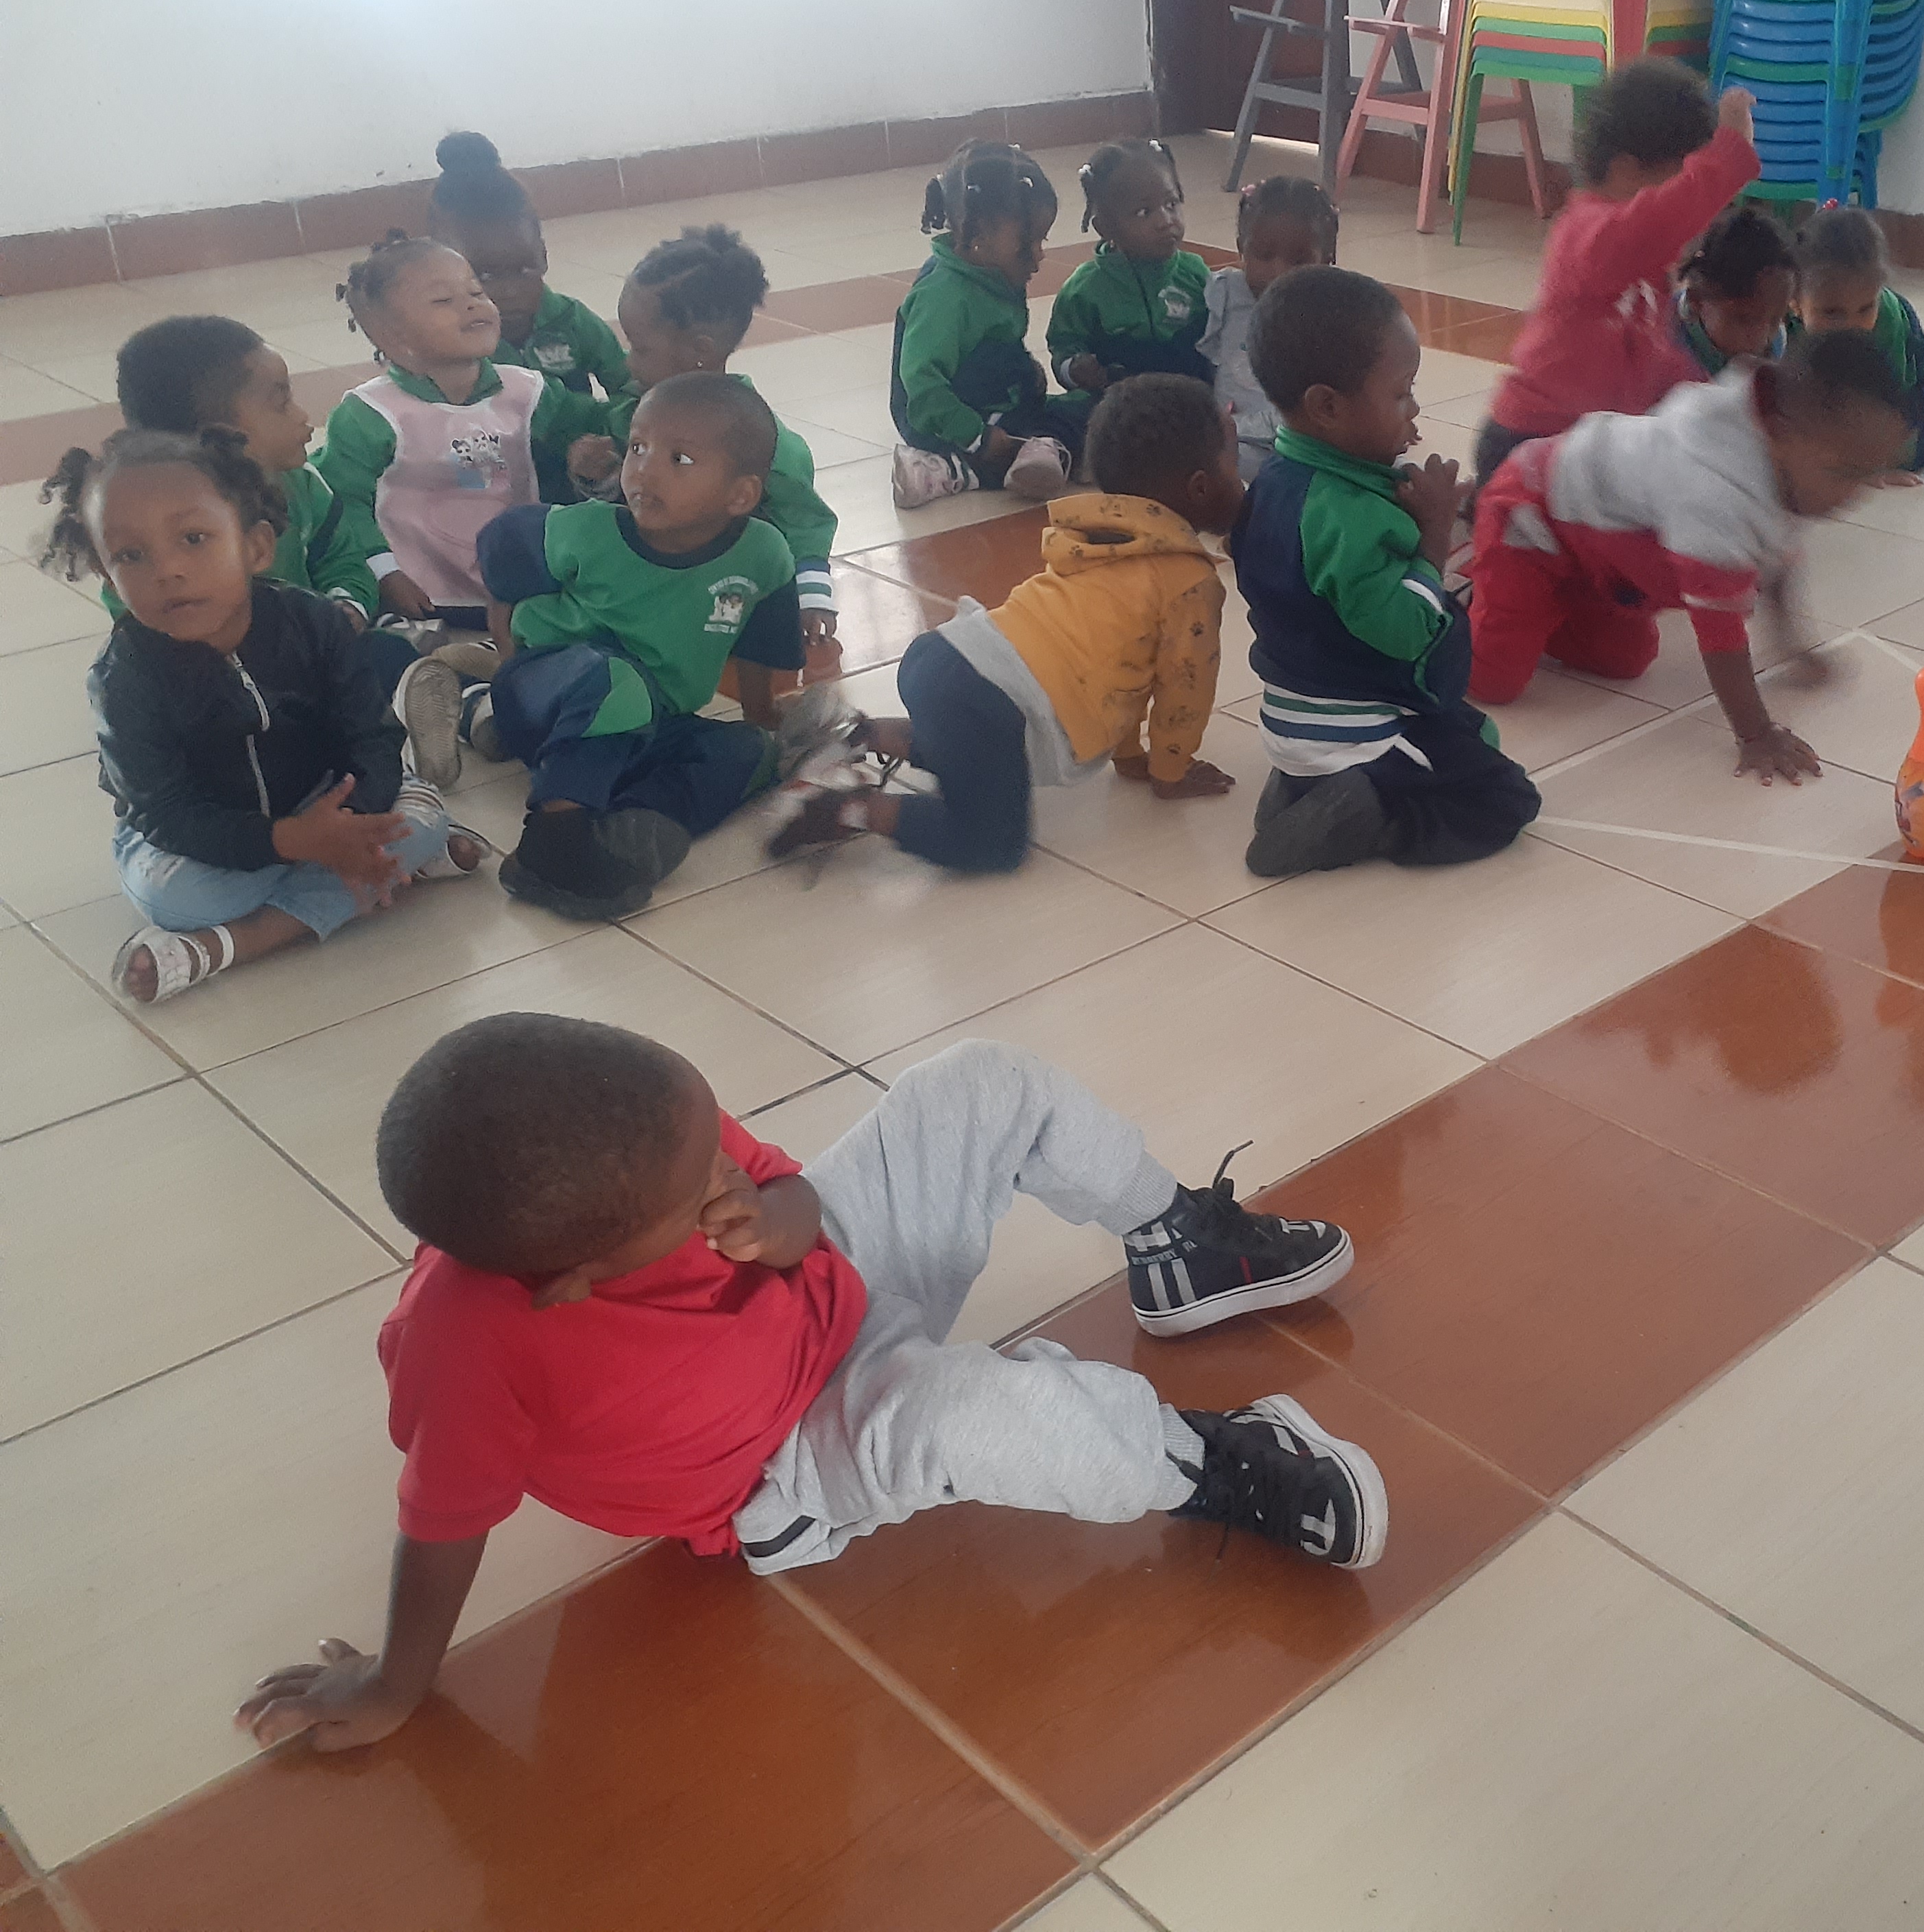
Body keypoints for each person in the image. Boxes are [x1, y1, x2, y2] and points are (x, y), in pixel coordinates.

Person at [234, 1011, 1383, 1754]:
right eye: (700, 1185)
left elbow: (787, 1191)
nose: (724, 1167)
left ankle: (1174, 1239)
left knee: (979, 1080)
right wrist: (394, 1682)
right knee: (984, 1414)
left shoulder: (650, 1132)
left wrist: (778, 1219)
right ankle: (1196, 1462)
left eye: (714, 1143)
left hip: (833, 1276)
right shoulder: (466, 1344)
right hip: (787, 1455)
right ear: (574, 1280)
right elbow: (442, 1521)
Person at [40, 429, 477, 1005]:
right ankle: (380, 875)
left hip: (323, 799)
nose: (167, 570)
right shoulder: (123, 679)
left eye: (193, 539)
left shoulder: (316, 624)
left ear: (256, 547)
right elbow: (164, 812)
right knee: (179, 899)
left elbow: (370, 737)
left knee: (419, 822)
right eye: (131, 555)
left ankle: (232, 945)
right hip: (205, 835)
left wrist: (349, 823)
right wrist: (293, 842)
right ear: (105, 573)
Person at [768, 374, 1239, 871]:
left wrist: (1129, 757)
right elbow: (1182, 688)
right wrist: (1170, 770)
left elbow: (1118, 666)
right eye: (1234, 463)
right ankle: (847, 808)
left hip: (949, 653)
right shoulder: (1189, 582)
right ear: (1200, 486)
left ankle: (859, 735)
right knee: (993, 842)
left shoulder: (1098, 533)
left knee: (977, 749)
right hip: (990, 698)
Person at [1467, 331, 1922, 785]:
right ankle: (1455, 579)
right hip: (1530, 515)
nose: (1854, 496)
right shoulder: (1715, 487)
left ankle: (1537, 601)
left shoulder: (1790, 456)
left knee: (1626, 661)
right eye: (1846, 473)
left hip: (1596, 564)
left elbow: (1779, 561)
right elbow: (1720, 634)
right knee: (1494, 680)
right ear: (1783, 434)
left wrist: (1793, 647)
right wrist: (1756, 734)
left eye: (1870, 476)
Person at [1234, 266, 1538, 876]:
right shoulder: (1348, 516)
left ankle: (1299, 787)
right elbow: (1407, 632)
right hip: (1354, 724)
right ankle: (1377, 816)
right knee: (1505, 795)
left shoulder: (1274, 481)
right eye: (1401, 394)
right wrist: (1434, 534)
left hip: (1293, 710)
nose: (1415, 407)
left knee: (1471, 731)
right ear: (1327, 407)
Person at [474, 374, 793, 920]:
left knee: (749, 751)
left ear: (740, 495)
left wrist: (762, 715)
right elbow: (502, 552)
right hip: (552, 693)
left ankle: (632, 824)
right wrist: (508, 657)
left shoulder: (764, 554)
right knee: (615, 680)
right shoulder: (585, 530)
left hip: (653, 719)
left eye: (679, 459)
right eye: (638, 448)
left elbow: (763, 640)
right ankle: (552, 842)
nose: (644, 469)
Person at [96, 316, 474, 775]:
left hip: (308, 651)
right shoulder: (140, 518)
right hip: (206, 675)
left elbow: (342, 560)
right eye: (281, 403)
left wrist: (347, 606)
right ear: (219, 433)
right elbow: (128, 605)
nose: (301, 416)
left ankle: (469, 709)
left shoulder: (303, 487)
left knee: (385, 656)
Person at [319, 233, 621, 636]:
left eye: (476, 292)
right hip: (421, 591)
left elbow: (592, 424)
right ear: (393, 337)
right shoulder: (371, 414)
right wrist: (384, 571)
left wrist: (591, 454)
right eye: (444, 300)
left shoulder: (528, 391)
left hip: (520, 587)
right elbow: (345, 502)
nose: (472, 304)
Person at [1476, 64, 1759, 482]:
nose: (1693, 216)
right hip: (1531, 442)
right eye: (1680, 179)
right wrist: (1727, 158)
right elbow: (1663, 218)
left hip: (1594, 448)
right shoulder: (1589, 231)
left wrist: (1711, 400)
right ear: (1627, 170)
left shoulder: (1642, 264)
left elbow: (1650, 354)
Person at [609, 225, 838, 724]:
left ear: (699, 351)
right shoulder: (636, 406)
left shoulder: (758, 441)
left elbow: (805, 517)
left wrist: (811, 594)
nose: (628, 361)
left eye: (640, 347)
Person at [889, 141, 1083, 509]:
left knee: (1083, 408)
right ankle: (943, 471)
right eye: (1026, 244)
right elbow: (922, 386)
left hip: (990, 400)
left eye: (1042, 240)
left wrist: (1026, 370)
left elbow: (998, 344)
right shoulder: (943, 297)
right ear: (977, 237)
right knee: (1052, 428)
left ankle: (1038, 450)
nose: (1039, 256)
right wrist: (976, 436)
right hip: (948, 418)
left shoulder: (993, 274)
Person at [424, 130, 632, 404]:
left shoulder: (572, 321)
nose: (510, 290)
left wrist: (616, 423)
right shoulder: (442, 344)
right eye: (484, 276)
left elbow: (630, 387)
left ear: (542, 255)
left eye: (524, 270)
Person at [1048, 139, 1214, 398]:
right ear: (1105, 228)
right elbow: (1064, 347)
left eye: (1171, 204)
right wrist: (1073, 369)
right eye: (1143, 212)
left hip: (1191, 400)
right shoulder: (1083, 291)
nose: (1165, 221)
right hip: (1116, 406)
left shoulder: (1196, 273)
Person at [1790, 206, 1924, 468]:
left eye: (1866, 308)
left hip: (1900, 393)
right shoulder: (1783, 323)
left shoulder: (1889, 321)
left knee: (1910, 454)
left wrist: (1871, 460)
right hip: (1827, 394)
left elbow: (1889, 405)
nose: (1851, 326)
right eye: (1832, 312)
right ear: (1795, 302)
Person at [1201, 174, 1339, 479]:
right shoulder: (1225, 294)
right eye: (1264, 256)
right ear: (1242, 248)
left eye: (1299, 260)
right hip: (1236, 437)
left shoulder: (1331, 314)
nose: (1279, 272)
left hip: (1306, 443)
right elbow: (1203, 363)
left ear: (1326, 259)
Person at [1674, 204, 1798, 375]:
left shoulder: (1775, 344)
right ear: (1696, 300)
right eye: (1745, 320)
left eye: (1775, 320)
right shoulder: (1663, 342)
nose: (1761, 339)